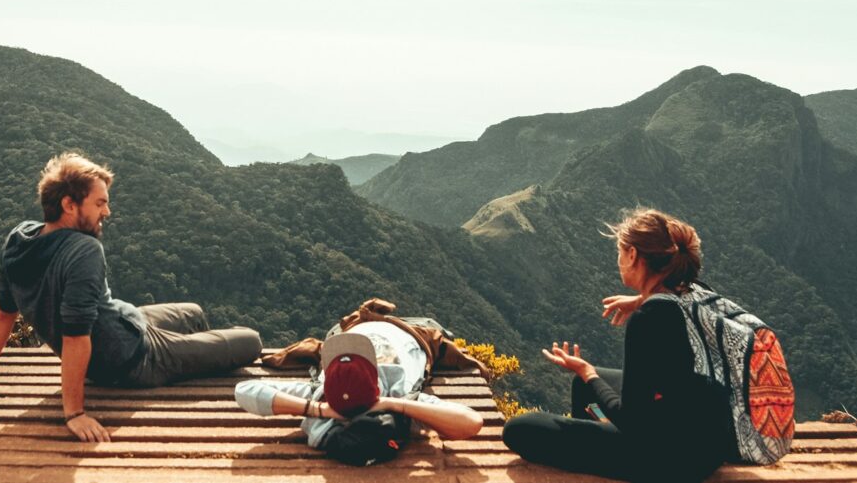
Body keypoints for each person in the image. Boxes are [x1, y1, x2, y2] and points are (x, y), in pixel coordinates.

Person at [0, 152, 263, 442]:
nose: (107, 212)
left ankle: (197, 352)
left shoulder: (19, 239)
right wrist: (74, 413)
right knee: (251, 341)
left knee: (193, 312)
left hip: (125, 322)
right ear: (69, 205)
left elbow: (4, 310)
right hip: (132, 358)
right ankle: (192, 356)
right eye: (100, 203)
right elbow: (75, 336)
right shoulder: (84, 250)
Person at [502, 207, 738, 483]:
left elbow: (632, 421)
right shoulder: (697, 291)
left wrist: (588, 372)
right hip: (709, 443)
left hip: (671, 462)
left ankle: (610, 452)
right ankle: (603, 446)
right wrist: (640, 298)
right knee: (583, 387)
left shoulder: (647, 321)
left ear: (633, 255)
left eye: (620, 252)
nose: (618, 260)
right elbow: (672, 300)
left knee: (519, 429)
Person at [234, 320, 484, 453]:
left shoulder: (320, 395)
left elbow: (243, 390)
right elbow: (472, 423)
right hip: (410, 331)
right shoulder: (399, 394)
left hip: (348, 328)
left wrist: (318, 409)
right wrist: (391, 403)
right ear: (376, 376)